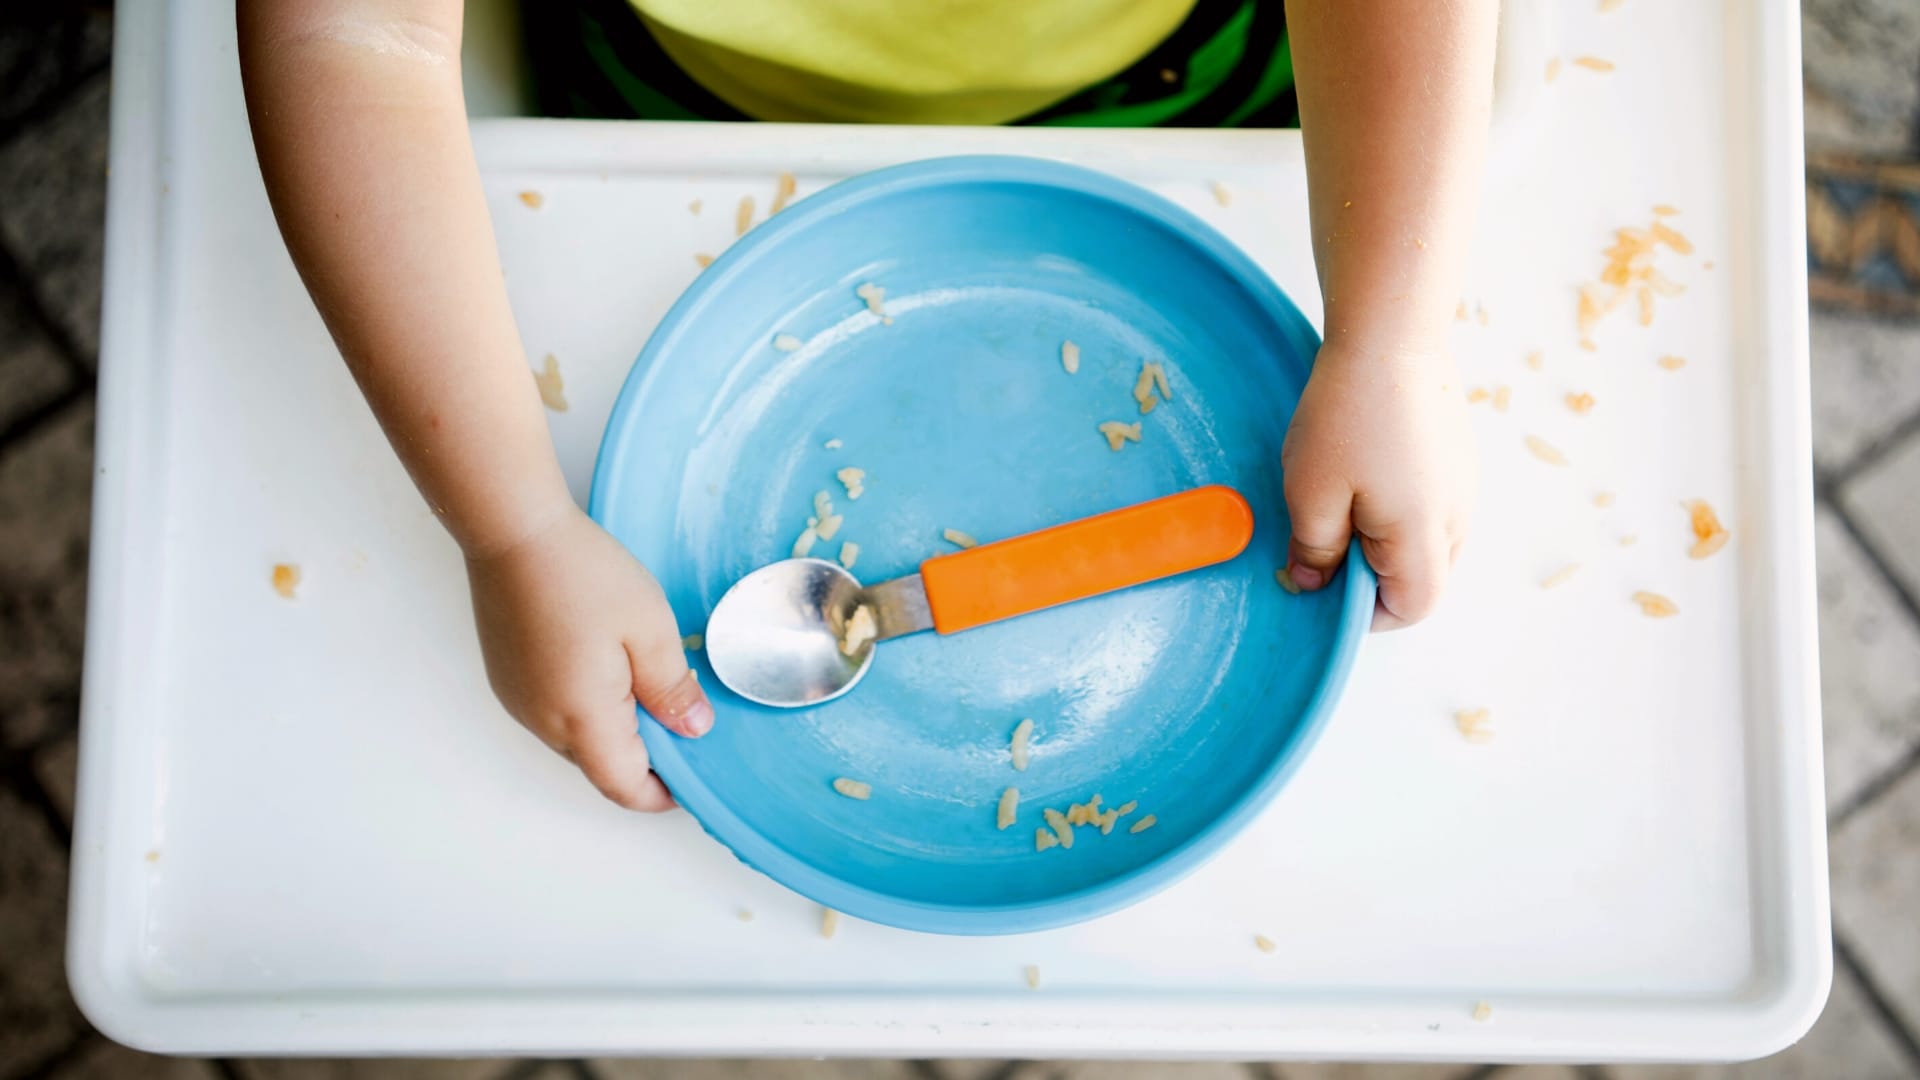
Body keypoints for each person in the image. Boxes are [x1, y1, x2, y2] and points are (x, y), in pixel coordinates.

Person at [236, 0, 1492, 813]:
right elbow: (354, 37)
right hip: (689, 100)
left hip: (1183, 82)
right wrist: (512, 525)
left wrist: (1391, 334)